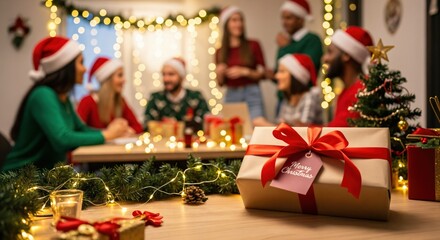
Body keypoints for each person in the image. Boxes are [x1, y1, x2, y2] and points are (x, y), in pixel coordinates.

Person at [2, 37, 128, 171]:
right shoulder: (43, 95)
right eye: (81, 63)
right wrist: (107, 134)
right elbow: (62, 139)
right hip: (20, 179)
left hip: (47, 177)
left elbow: (81, 129)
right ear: (66, 66)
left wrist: (112, 132)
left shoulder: (63, 98)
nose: (85, 69)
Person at [215, 6, 267, 126]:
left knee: (257, 124)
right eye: (234, 20)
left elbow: (262, 74)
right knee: (232, 128)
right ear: (226, 24)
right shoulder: (220, 51)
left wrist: (245, 72)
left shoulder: (253, 45)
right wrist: (219, 73)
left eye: (240, 20)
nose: (238, 24)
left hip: (252, 92)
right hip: (231, 93)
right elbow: (221, 83)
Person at [271, 0, 323, 115]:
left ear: (300, 19)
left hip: (302, 100)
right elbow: (278, 70)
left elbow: (306, 68)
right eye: (283, 18)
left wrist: (286, 48)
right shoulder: (286, 41)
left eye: (288, 18)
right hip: (284, 99)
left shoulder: (312, 40)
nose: (284, 23)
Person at [322, 26, 374, 127]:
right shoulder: (345, 91)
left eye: (330, 52)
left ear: (346, 55)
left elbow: (338, 132)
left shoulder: (362, 92)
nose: (325, 58)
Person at [77, 57, 143, 134]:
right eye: (120, 75)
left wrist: (124, 130)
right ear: (107, 79)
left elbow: (138, 127)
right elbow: (78, 131)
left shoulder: (120, 101)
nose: (124, 80)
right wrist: (110, 132)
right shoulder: (87, 101)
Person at [144, 58, 209, 131]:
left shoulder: (196, 97)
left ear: (182, 77)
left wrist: (175, 126)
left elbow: (205, 124)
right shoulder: (155, 98)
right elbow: (147, 125)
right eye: (164, 74)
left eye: (171, 74)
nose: (166, 79)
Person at [276, 54, 322, 126]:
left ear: (296, 76)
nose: (277, 76)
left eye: (282, 71)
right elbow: (280, 124)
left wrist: (266, 124)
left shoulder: (309, 97)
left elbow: (303, 129)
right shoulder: (287, 99)